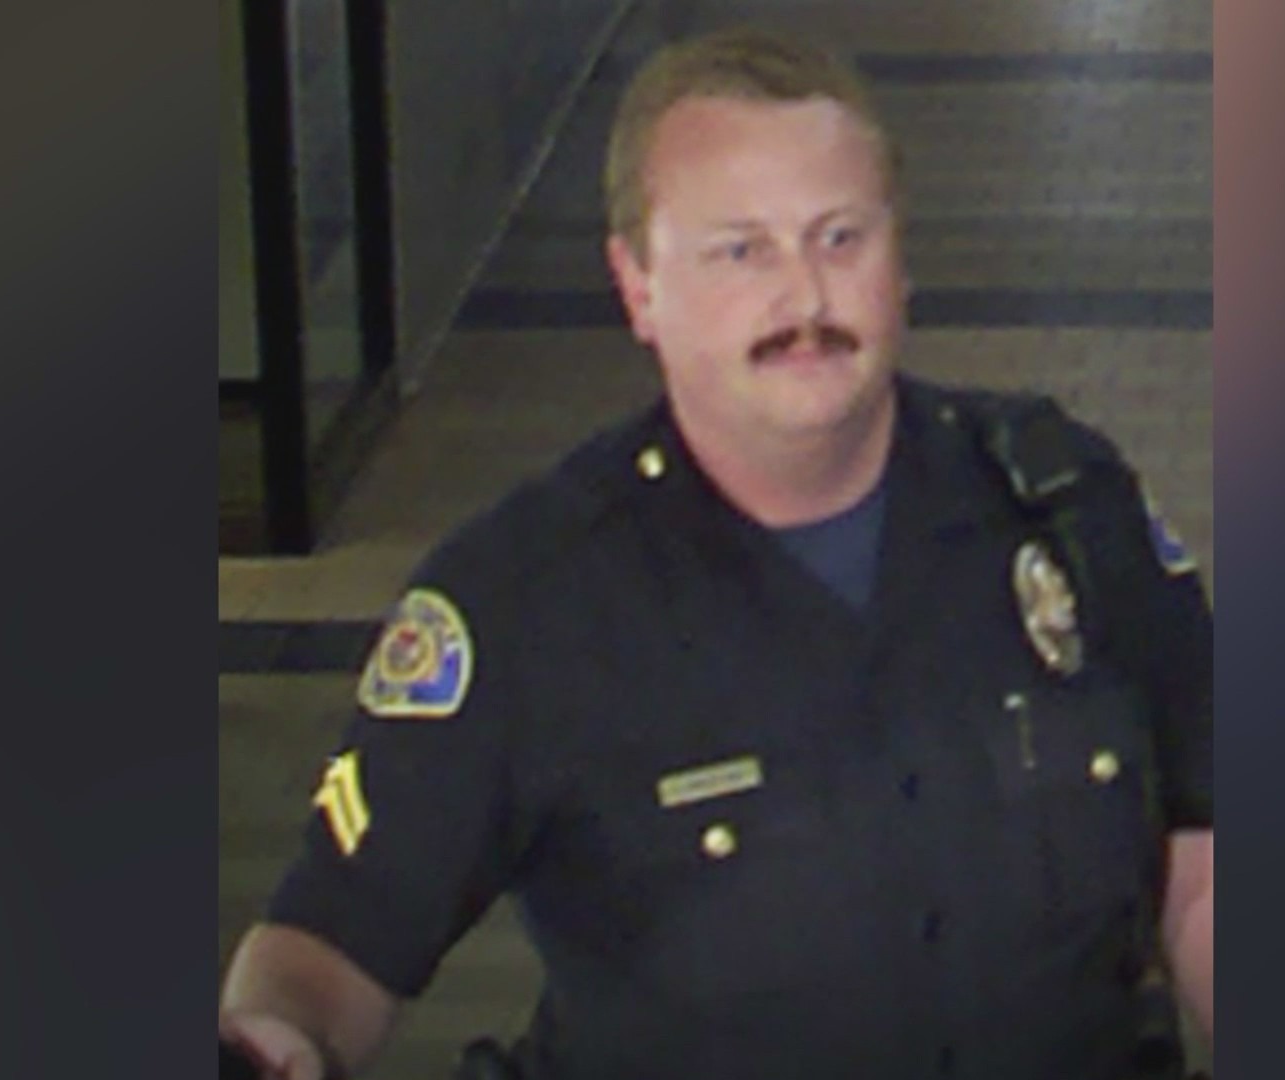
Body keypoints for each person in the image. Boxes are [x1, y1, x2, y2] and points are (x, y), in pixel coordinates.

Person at [219, 25, 1213, 1080]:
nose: (805, 297)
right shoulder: (526, 603)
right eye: (740, 250)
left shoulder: (1065, 507)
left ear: (901, 260)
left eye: (842, 238)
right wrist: (276, 1038)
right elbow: (330, 949)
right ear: (637, 286)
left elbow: (1201, 860)